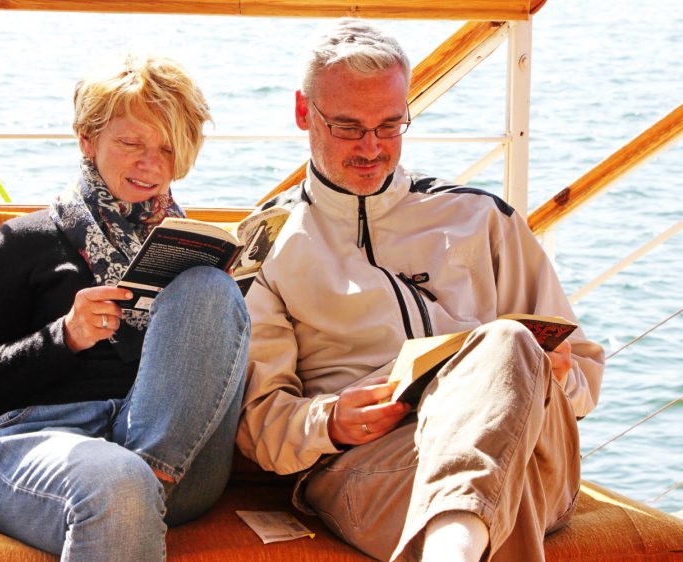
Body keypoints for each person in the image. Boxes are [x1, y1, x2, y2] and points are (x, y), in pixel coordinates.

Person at [236, 18, 605, 562]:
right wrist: (331, 420)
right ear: (302, 112)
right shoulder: (265, 245)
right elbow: (258, 419)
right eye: (347, 126)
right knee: (492, 501)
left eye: (390, 125)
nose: (371, 148)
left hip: (529, 449)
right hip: (373, 467)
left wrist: (557, 375)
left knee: (505, 343)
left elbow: (586, 374)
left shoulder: (483, 219)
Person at [0, 54, 250, 561]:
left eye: (168, 149)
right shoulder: (26, 240)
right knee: (116, 481)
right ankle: (132, 483)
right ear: (88, 138)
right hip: (40, 441)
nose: (150, 164)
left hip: (177, 458)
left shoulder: (191, 247)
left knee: (209, 289)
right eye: (130, 143)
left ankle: (146, 473)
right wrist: (63, 337)